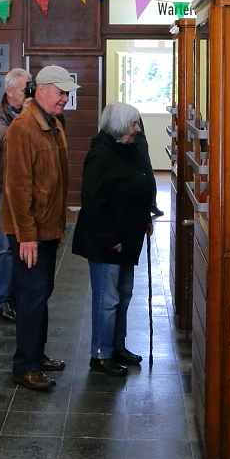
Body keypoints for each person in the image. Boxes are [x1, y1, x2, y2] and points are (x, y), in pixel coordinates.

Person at [2, 65, 79, 390]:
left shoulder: (53, 123)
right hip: (28, 231)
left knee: (42, 292)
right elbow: (17, 189)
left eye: (67, 92)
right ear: (42, 89)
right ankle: (24, 366)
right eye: (61, 92)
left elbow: (57, 183)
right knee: (32, 295)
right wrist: (28, 236)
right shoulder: (22, 128)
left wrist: (58, 226)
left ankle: (37, 354)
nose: (65, 97)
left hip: (47, 226)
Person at [72, 102, 155, 376]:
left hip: (128, 237)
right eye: (133, 124)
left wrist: (145, 216)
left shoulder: (128, 149)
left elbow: (140, 184)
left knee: (125, 295)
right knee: (107, 299)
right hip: (108, 242)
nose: (137, 128)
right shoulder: (101, 154)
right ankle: (101, 354)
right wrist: (111, 239)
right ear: (120, 125)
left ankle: (117, 346)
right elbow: (92, 202)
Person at [0, 67, 31, 323]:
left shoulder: (32, 113)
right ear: (9, 91)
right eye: (25, 90)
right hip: (1, 188)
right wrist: (27, 115)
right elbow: (8, 142)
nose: (28, 95)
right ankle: (3, 301)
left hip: (25, 187)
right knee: (4, 246)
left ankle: (21, 296)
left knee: (25, 242)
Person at [132, 128, 165, 218]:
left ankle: (152, 204)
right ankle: (150, 204)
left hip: (135, 135)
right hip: (129, 135)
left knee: (146, 168)